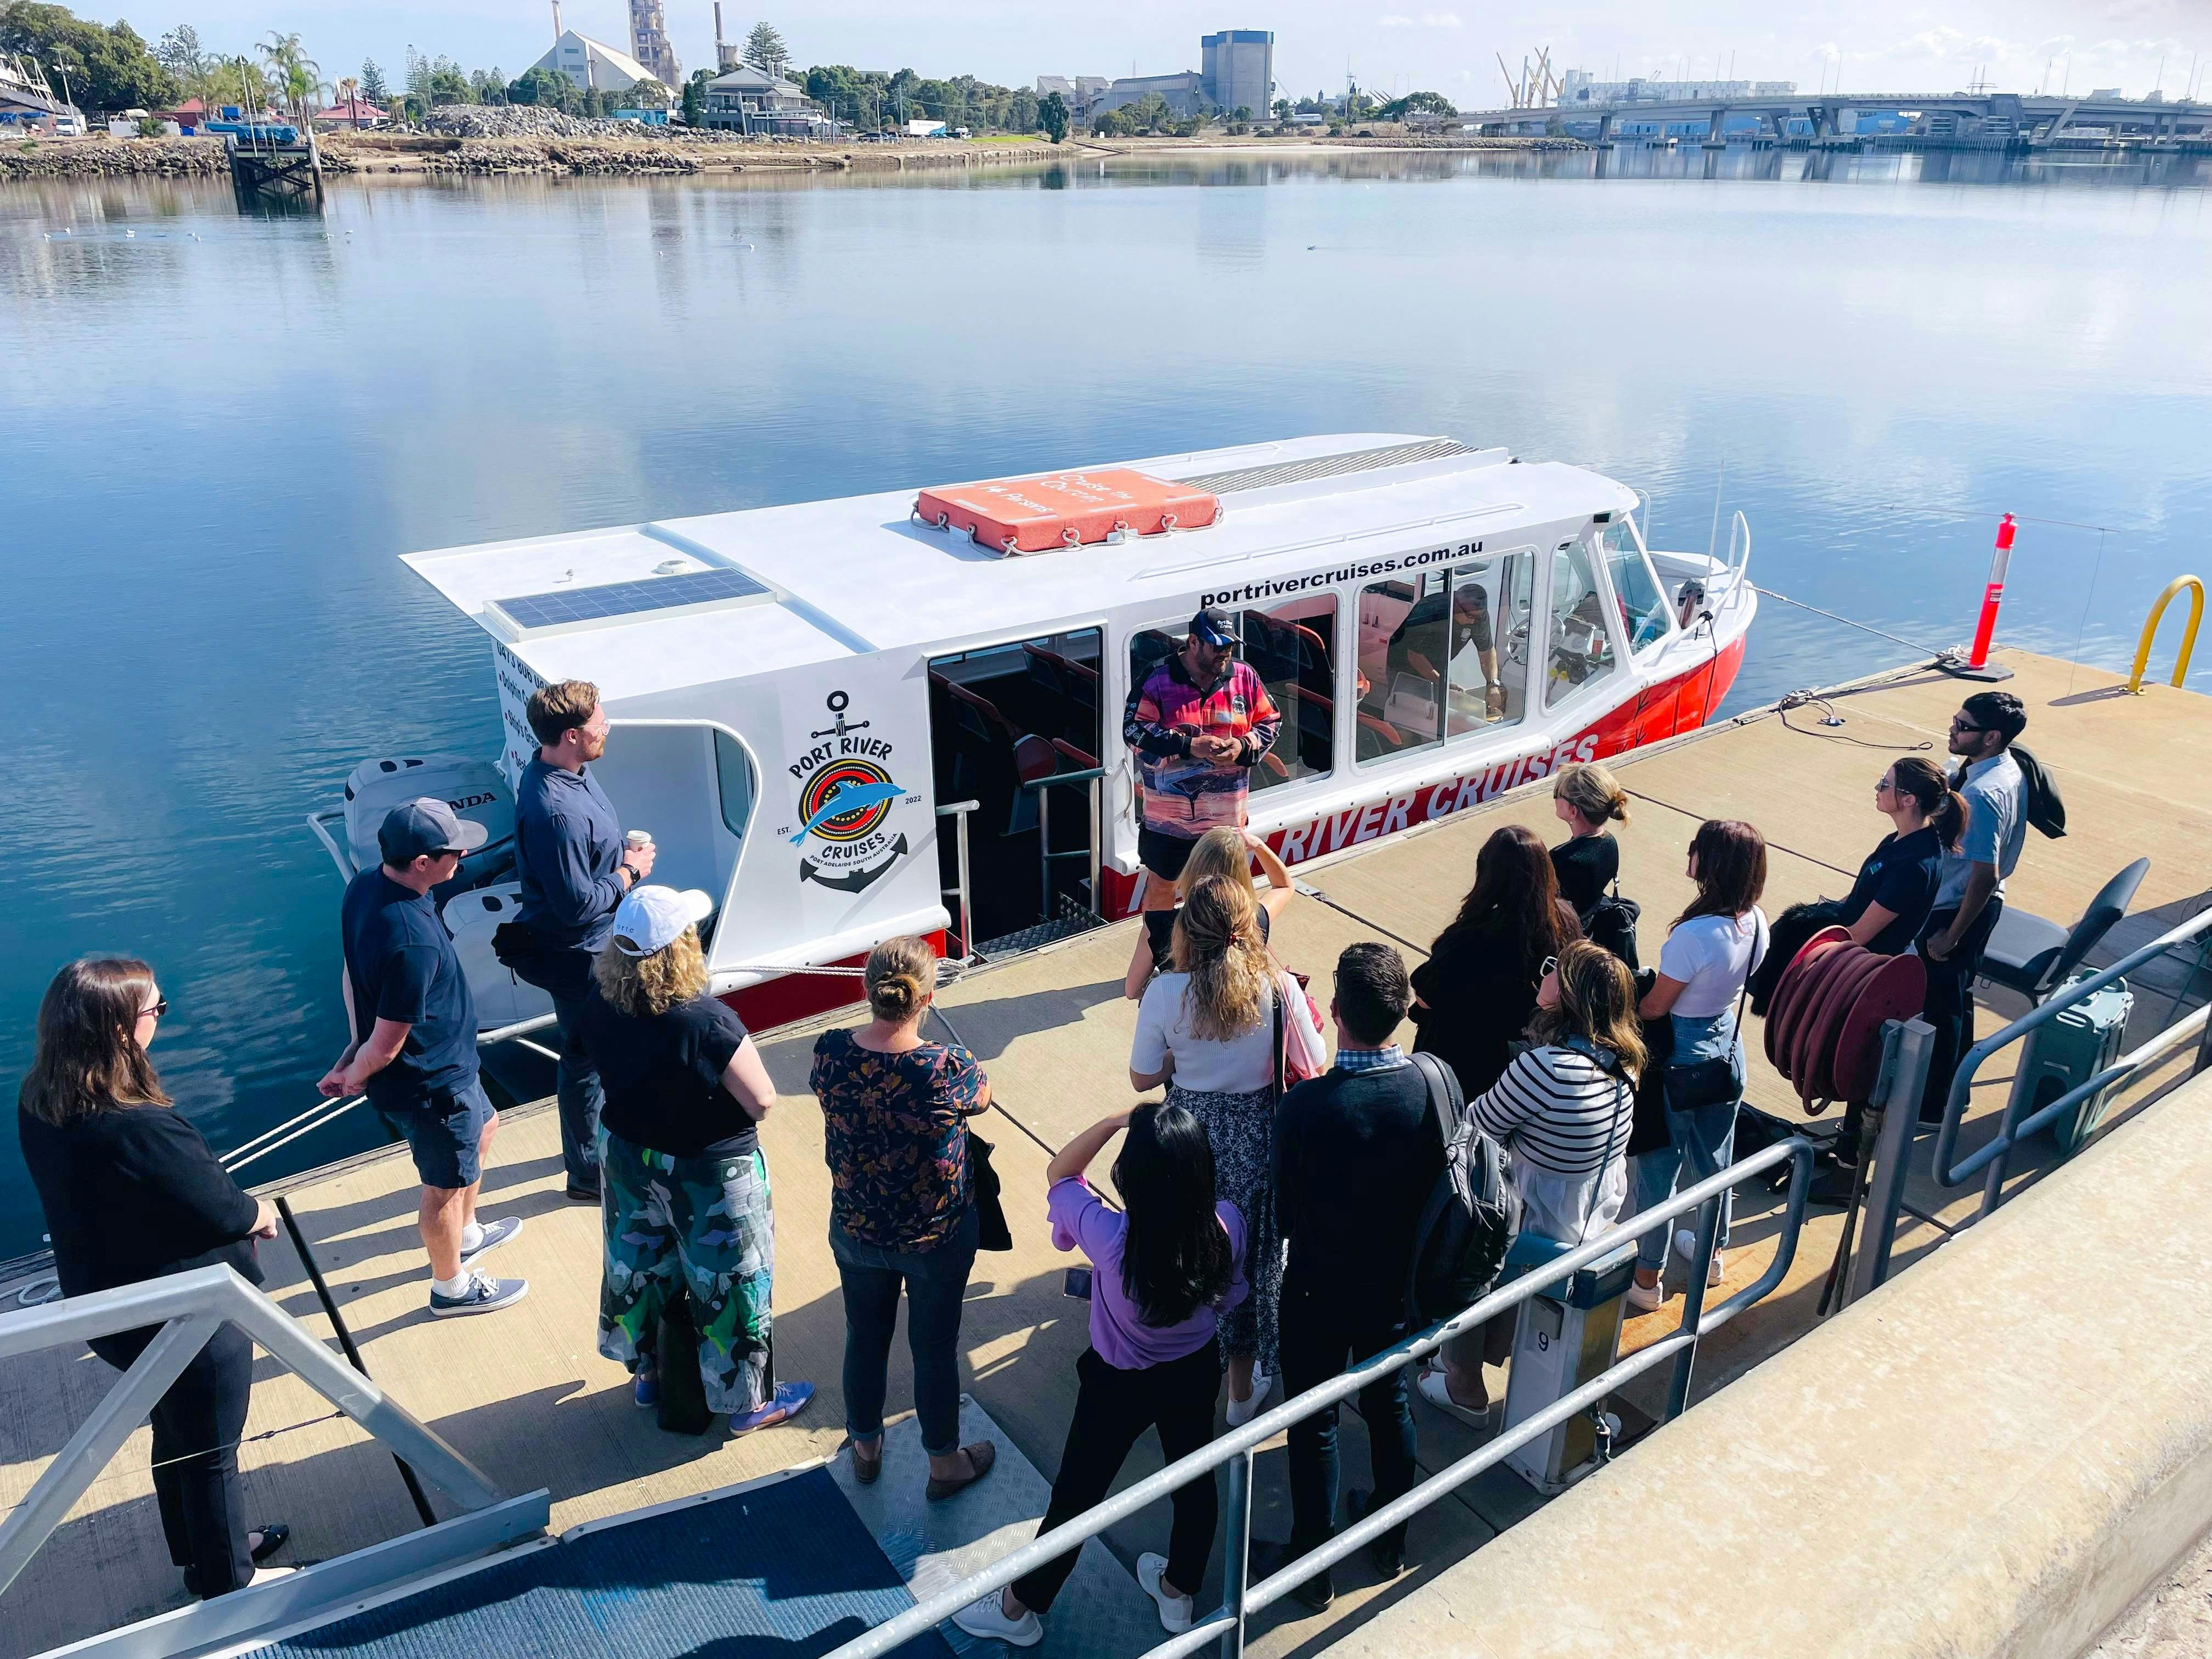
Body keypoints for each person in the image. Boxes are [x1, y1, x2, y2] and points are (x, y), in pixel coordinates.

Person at [18, 958, 294, 1599]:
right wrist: (258, 1214)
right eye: (156, 1011)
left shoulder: (41, 1099)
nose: (160, 1022)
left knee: (176, 1434)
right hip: (185, 1317)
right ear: (120, 1029)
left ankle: (200, 1554)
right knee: (212, 1451)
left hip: (109, 1306)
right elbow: (222, 1207)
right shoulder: (139, 1124)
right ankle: (230, 1586)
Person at [951, 1102, 1246, 1646]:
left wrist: (1115, 1123)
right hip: (1195, 1370)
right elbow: (1227, 1296)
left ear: (1130, 1177)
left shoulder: (1110, 1237)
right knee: (1193, 1479)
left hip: (1119, 1385)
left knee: (1077, 1497)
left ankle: (1019, 1610)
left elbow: (1060, 1174)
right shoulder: (1227, 1223)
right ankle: (1179, 1591)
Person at [578, 885, 811, 1433]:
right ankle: (748, 1405)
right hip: (708, 1172)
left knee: (640, 1267)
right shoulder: (706, 1021)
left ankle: (648, 1375)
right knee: (731, 1282)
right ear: (683, 946)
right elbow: (762, 1100)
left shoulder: (598, 1001)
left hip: (631, 1156)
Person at [1266, 944, 1442, 1611]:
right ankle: (1391, 1538)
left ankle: (1313, 1567)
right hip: (1394, 1287)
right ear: (1403, 1012)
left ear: (1335, 1012)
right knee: (1389, 1404)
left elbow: (1282, 1214)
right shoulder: (1430, 1085)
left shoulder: (1306, 1107)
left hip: (1316, 1289)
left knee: (1313, 1425)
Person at [1130, 876, 1323, 1425]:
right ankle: (1241, 1397)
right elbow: (1313, 1065)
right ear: (1247, 930)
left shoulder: (1167, 992)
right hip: (1258, 1136)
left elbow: (1144, 1077)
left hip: (1188, 1135)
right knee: (1248, 1262)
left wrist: (1179, 1062)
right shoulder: (1278, 986)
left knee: (1181, 1249)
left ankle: (1175, 1369)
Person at [1421, 941, 1642, 1421]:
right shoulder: (1624, 1062)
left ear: (1564, 996)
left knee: (1466, 1248)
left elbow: (1473, 1127)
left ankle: (1464, 1384)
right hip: (1590, 1210)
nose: (1542, 974)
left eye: (1552, 971)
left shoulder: (1546, 1068)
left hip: (1538, 1218)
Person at [325, 799, 527, 1317]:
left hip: (454, 1067)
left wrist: (352, 1047)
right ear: (422, 863)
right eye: (455, 850)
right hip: (429, 1084)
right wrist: (358, 1071)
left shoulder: (366, 886)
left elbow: (353, 976)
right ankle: (450, 1287)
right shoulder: (412, 941)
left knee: (485, 1128)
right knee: (441, 1188)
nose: (464, 855)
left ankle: (468, 1232)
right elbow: (390, 1041)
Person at [812, 936, 996, 1498]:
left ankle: (866, 1447)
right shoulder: (947, 1066)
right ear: (926, 998)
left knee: (865, 1336)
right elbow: (984, 1097)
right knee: (934, 1347)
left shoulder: (831, 1052)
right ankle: (944, 1465)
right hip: (934, 1236)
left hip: (858, 1228)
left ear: (867, 991)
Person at [512, 679, 658, 1202]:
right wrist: (630, 873)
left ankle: (590, 1147)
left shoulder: (571, 770)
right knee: (586, 1060)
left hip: (596, 945)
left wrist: (621, 859)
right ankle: (587, 1173)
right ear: (572, 735)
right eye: (600, 724)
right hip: (579, 956)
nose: (608, 729)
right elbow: (575, 907)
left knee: (592, 1056)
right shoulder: (557, 812)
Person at [1627, 820, 1768, 1311]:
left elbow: (1655, 1008)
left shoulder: (1693, 935)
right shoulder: (1757, 922)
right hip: (1726, 1048)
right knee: (1715, 1159)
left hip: (1680, 1057)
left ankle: (1648, 1279)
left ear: (1710, 864)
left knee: (1659, 1168)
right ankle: (1710, 1256)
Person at [1122, 607, 1282, 932]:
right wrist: (1187, 746)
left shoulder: (1244, 676)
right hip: (1169, 824)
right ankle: (1164, 956)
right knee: (1161, 890)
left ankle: (1218, 950)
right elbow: (1134, 732)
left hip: (1226, 824)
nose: (1224, 653)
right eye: (1216, 645)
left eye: (1229, 646)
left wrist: (1243, 747)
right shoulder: (1156, 679)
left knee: (1226, 891)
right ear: (1193, 642)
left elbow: (1271, 724)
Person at [1408, 825, 1581, 1100]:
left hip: (1463, 1059)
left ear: (1489, 876)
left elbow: (1427, 995)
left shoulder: (1471, 935)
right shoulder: (1566, 921)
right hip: (1530, 1057)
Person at [1919, 691, 2030, 1121]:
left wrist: (1952, 934)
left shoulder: (1983, 794)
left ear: (1991, 737)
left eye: (1963, 727)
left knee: (1940, 1010)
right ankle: (1953, 1094)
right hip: (1966, 901)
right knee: (1955, 1003)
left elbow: (1985, 873)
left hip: (1960, 907)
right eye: (1955, 719)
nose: (1953, 729)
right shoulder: (2000, 766)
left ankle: (1933, 1105)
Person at [1124, 825, 1296, 1000]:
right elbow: (1284, 887)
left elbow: (1133, 990)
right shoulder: (1254, 919)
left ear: (1191, 869)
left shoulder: (1158, 925)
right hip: (1243, 1016)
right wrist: (1259, 846)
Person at [1842, 757, 1962, 954]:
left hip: (1861, 965)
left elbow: (1858, 936)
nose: (1877, 788)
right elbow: (1863, 895)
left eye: (1885, 784)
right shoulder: (1900, 839)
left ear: (1909, 800)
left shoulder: (1913, 867)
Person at [1387, 577, 1504, 719]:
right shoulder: (1429, 610)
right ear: (1455, 605)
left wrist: (1492, 685)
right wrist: (1441, 683)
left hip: (1438, 664)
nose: (1474, 622)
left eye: (1478, 618)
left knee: (1436, 717)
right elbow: (1414, 655)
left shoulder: (1478, 615)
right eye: (1469, 616)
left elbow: (1487, 651)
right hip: (1404, 663)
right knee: (1407, 716)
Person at [1549, 760, 1629, 917]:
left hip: (1568, 931)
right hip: (1589, 920)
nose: (1555, 799)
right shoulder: (1609, 842)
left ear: (1574, 811)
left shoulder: (1563, 860)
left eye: (1558, 795)